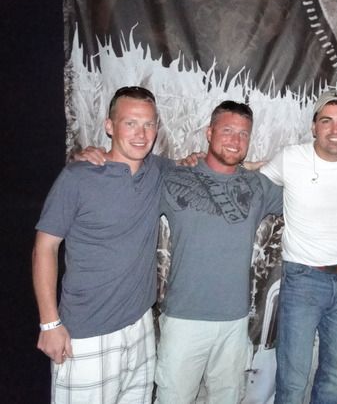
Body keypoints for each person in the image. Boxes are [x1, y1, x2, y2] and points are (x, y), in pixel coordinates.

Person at [33, 86, 170, 403]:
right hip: (87, 334)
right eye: (130, 123)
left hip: (140, 328)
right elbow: (44, 248)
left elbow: (204, 166)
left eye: (148, 124)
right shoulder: (78, 177)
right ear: (110, 126)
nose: (141, 134)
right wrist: (49, 323)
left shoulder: (158, 171)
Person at [260, 90, 337, 404]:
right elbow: (254, 180)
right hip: (303, 279)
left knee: (334, 375)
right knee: (293, 378)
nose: (335, 129)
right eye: (327, 121)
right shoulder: (291, 158)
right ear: (313, 126)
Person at [154, 101, 283, 404]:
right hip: (183, 319)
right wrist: (90, 157)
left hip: (234, 322)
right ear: (209, 132)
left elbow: (306, 195)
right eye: (227, 131)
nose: (235, 140)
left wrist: (259, 166)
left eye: (243, 134)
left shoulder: (259, 186)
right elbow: (133, 171)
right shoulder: (174, 178)